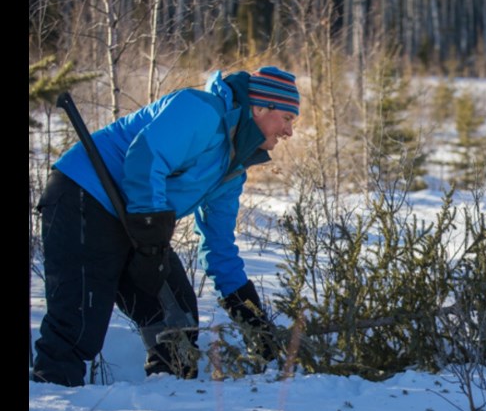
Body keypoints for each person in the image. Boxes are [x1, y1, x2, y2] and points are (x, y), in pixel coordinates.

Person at [32, 66, 300, 387]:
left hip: (133, 220)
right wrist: (150, 240)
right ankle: (57, 401)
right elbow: (146, 157)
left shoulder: (232, 170)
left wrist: (253, 320)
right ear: (260, 107)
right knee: (77, 323)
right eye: (286, 118)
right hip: (84, 195)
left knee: (178, 320)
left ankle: (167, 401)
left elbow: (219, 250)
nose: (289, 132)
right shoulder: (201, 111)